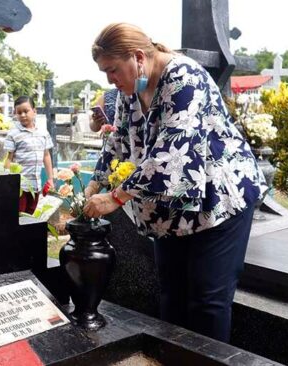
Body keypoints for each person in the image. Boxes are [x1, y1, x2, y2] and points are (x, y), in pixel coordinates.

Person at [83, 23, 266, 343]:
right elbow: (118, 142)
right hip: (170, 209)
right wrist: (95, 183)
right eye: (105, 73)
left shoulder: (184, 78)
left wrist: (115, 197)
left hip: (219, 201)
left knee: (206, 301)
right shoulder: (130, 91)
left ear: (138, 57)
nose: (109, 80)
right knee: (172, 296)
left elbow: (175, 154)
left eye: (112, 70)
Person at [4, 96, 54, 214]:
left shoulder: (43, 133)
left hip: (35, 185)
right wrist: (6, 180)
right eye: (19, 112)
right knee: (19, 215)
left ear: (34, 111)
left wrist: (50, 178)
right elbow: (9, 158)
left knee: (30, 215)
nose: (22, 115)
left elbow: (46, 155)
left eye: (25, 111)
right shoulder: (13, 134)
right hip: (19, 186)